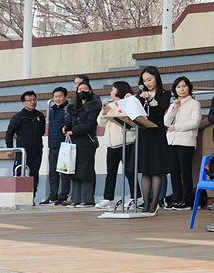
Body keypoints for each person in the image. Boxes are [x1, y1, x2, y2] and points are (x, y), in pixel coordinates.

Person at [135, 66, 174, 214]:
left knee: (156, 170)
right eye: (145, 81)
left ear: (156, 78)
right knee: (145, 171)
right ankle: (145, 203)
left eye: (150, 79)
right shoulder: (140, 95)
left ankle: (155, 202)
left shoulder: (164, 94)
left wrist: (151, 99)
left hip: (157, 134)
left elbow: (160, 113)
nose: (147, 83)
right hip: (143, 133)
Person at [99, 81, 138, 211]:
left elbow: (128, 120)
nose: (111, 92)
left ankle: (135, 197)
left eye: (113, 89)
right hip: (111, 144)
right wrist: (104, 113)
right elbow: (101, 123)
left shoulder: (127, 104)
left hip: (125, 142)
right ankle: (108, 198)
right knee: (111, 173)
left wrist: (111, 113)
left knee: (129, 172)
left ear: (119, 91)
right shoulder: (110, 105)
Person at [63, 78, 101, 208]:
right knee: (74, 171)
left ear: (90, 91)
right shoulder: (74, 106)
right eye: (80, 89)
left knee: (85, 171)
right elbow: (69, 121)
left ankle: (87, 199)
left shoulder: (94, 106)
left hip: (86, 142)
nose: (82, 91)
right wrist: (65, 127)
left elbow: (90, 124)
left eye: (85, 89)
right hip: (74, 143)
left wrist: (73, 131)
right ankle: (76, 199)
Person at [164, 76, 200, 210]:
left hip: (186, 142)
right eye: (178, 87)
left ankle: (187, 201)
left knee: (185, 172)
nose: (181, 89)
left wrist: (176, 127)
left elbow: (195, 122)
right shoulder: (174, 104)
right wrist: (174, 108)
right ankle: (177, 199)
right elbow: (166, 122)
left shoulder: (194, 104)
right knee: (174, 173)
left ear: (189, 87)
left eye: (184, 86)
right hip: (172, 142)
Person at [5, 91, 46, 201]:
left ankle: (31, 198)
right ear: (23, 103)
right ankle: (16, 198)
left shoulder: (40, 116)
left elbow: (42, 132)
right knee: (18, 174)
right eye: (29, 100)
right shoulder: (19, 117)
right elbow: (9, 133)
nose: (32, 102)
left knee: (34, 176)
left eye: (34, 100)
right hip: (23, 152)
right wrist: (10, 148)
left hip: (37, 151)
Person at [45, 87, 71, 205]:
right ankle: (53, 196)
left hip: (64, 145)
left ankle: (63, 196)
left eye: (60, 96)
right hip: (53, 145)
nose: (57, 99)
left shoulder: (68, 109)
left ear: (65, 97)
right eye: (55, 97)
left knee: (64, 173)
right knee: (52, 173)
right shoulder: (52, 109)